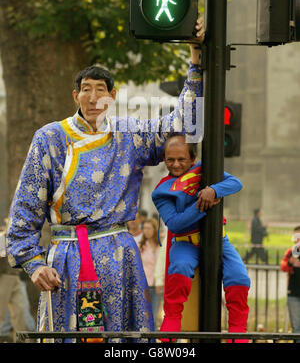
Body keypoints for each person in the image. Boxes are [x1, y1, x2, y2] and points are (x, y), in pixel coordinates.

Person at [6, 18, 205, 334]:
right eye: (86, 90)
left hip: (120, 257)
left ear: (112, 96)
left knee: (120, 341)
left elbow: (183, 125)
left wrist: (195, 60)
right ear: (75, 96)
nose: (93, 96)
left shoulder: (130, 134)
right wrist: (33, 264)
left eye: (101, 90)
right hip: (68, 260)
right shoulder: (49, 138)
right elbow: (25, 209)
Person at [151, 134, 250, 340]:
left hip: (218, 240)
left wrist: (213, 190)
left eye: (181, 159)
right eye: (170, 159)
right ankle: (170, 325)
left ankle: (237, 332)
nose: (176, 164)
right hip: (185, 243)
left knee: (239, 277)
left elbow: (235, 183)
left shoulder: (205, 170)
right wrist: (202, 205)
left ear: (192, 159)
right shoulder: (161, 191)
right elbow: (176, 222)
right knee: (179, 269)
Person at [139, 218, 162, 328]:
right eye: (145, 228)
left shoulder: (160, 246)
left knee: (155, 313)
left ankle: (154, 337)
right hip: (144, 284)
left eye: (149, 228)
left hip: (157, 285)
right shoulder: (141, 246)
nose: (146, 231)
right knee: (145, 314)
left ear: (154, 229)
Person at [280, 226, 300, 343]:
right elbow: (283, 266)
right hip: (293, 293)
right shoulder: (291, 251)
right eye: (296, 237)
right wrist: (290, 261)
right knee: (296, 328)